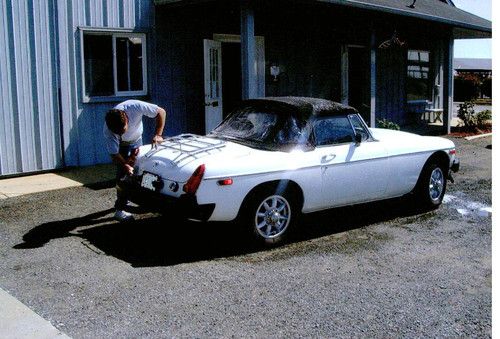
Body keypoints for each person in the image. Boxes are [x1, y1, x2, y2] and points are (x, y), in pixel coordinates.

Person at [104, 99, 167, 222]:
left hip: (137, 139)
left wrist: (158, 134)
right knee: (124, 175)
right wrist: (126, 165)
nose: (120, 134)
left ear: (127, 119)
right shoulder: (108, 130)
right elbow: (114, 154)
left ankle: (147, 201)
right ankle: (120, 208)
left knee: (144, 169)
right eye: (118, 133)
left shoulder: (134, 106)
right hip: (122, 147)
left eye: (122, 130)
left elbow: (161, 112)